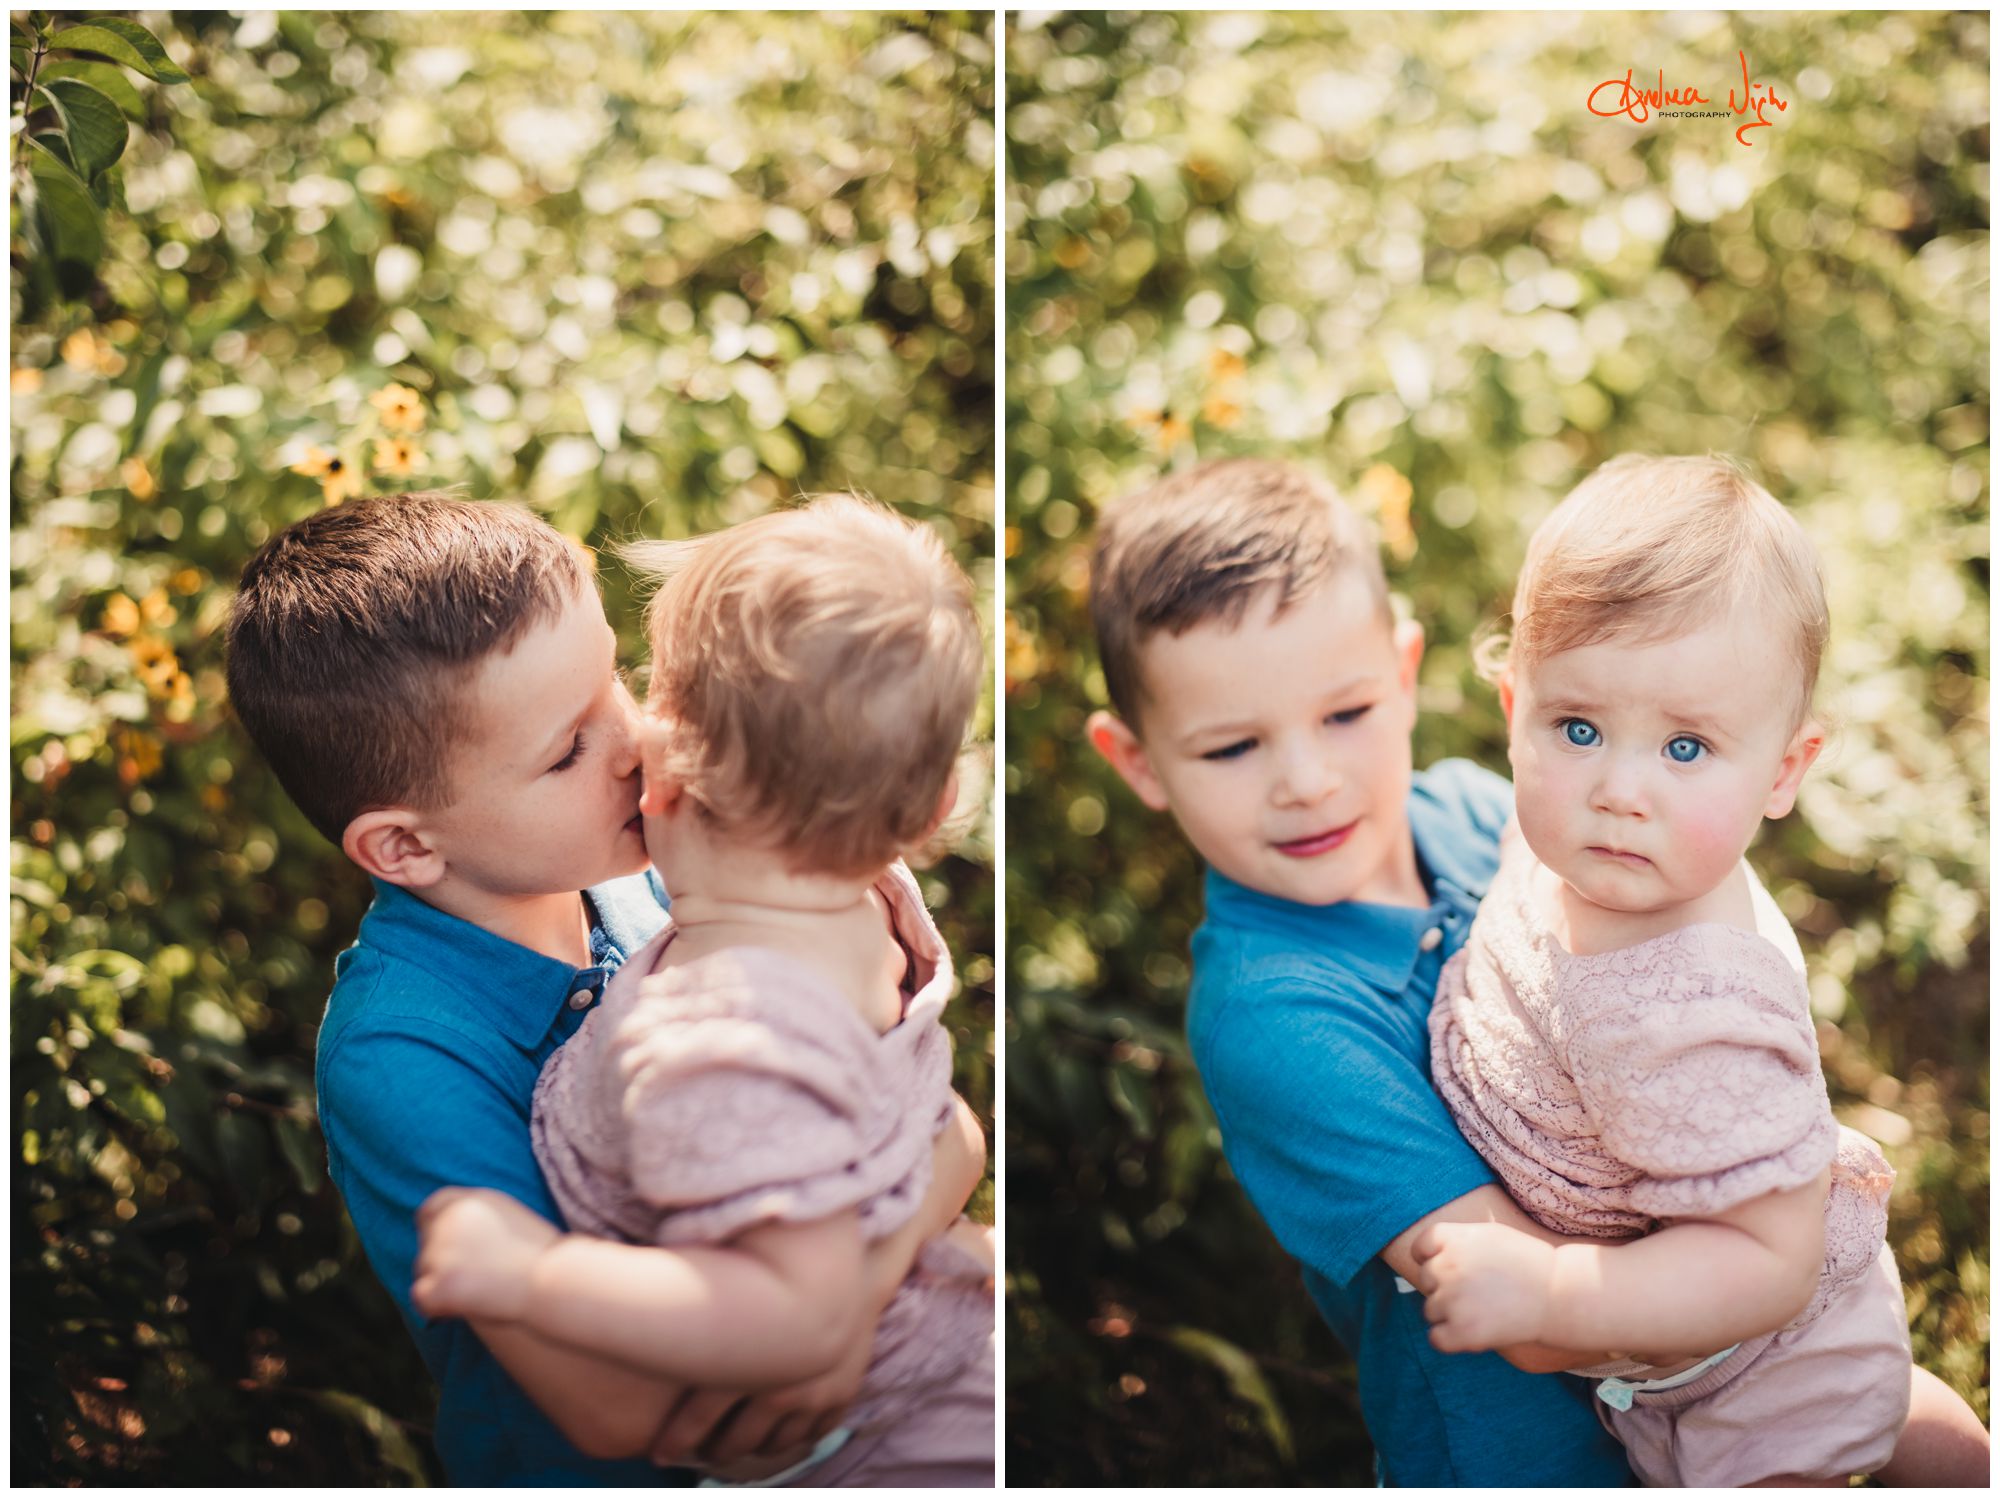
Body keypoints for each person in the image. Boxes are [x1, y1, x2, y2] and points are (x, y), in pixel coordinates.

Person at [226, 493, 981, 1485]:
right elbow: (616, 1406)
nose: (638, 741)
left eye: (617, 678)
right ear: (405, 844)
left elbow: (949, 1125)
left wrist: (828, 1313)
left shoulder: (668, 867)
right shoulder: (403, 1054)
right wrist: (837, 1304)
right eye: (567, 748)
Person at [1414, 455, 1991, 1486]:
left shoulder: (1688, 1005)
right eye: (1577, 727)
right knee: (1907, 1420)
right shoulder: (1568, 849)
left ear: (1781, 770)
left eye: (1685, 748)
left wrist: (1554, 1295)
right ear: (1514, 707)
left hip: (1755, 1386)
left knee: (1847, 1402)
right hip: (1723, 1340)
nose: (1619, 790)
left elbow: (1768, 1262)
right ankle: (1938, 1446)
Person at [1084, 458, 1637, 1485]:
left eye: (1342, 714)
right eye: (1230, 747)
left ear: (1403, 670)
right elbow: (1525, 1304)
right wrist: (1762, 1288)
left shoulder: (1483, 815)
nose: (1305, 779)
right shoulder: (1273, 1015)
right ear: (1138, 763)